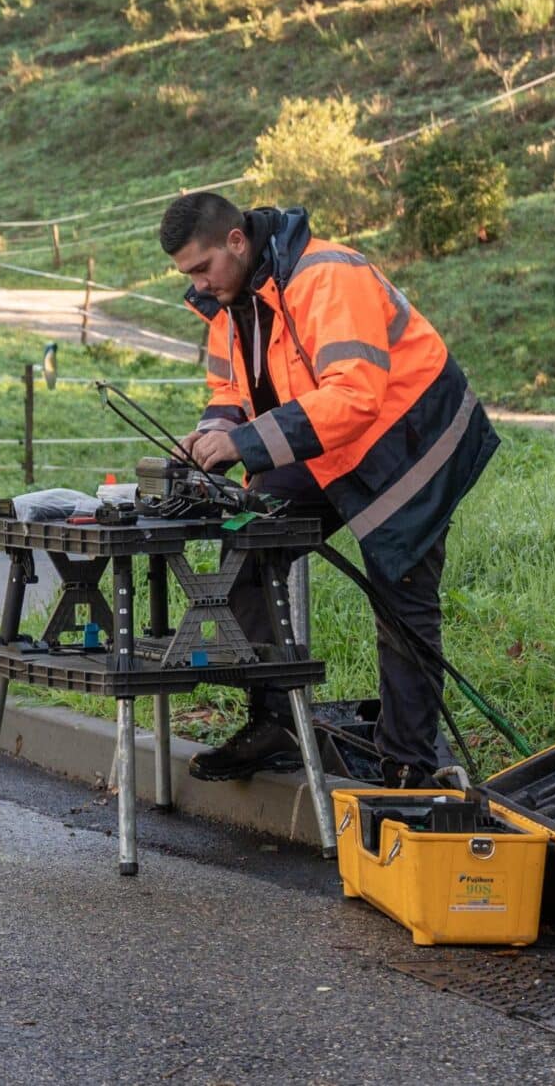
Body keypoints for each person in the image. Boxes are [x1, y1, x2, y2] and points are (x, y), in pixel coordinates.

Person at [159, 191, 499, 788]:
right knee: (248, 540)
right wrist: (209, 441)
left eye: (201, 268)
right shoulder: (229, 300)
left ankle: (410, 767)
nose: (198, 284)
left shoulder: (328, 276)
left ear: (236, 242)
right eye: (187, 274)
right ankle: (277, 726)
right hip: (326, 444)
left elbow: (357, 395)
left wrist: (248, 444)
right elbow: (229, 396)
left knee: (403, 604)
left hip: (408, 443)